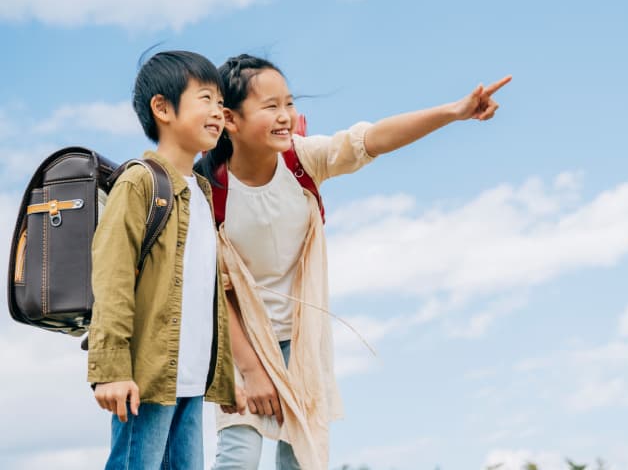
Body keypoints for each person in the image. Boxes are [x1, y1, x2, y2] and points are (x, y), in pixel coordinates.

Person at [196, 54, 511, 470]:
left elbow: (373, 138)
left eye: (289, 103)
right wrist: (252, 370)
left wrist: (454, 112)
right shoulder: (206, 191)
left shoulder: (303, 160)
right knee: (239, 453)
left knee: (301, 458)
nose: (285, 116)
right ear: (229, 120)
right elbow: (214, 290)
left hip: (302, 339)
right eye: (270, 107)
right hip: (242, 344)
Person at [88, 51, 243, 470]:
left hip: (190, 382)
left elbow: (202, 295)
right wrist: (111, 368)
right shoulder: (140, 181)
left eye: (221, 102)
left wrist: (226, 377)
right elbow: (112, 276)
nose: (218, 111)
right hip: (147, 378)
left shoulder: (203, 194)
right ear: (163, 108)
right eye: (206, 99)